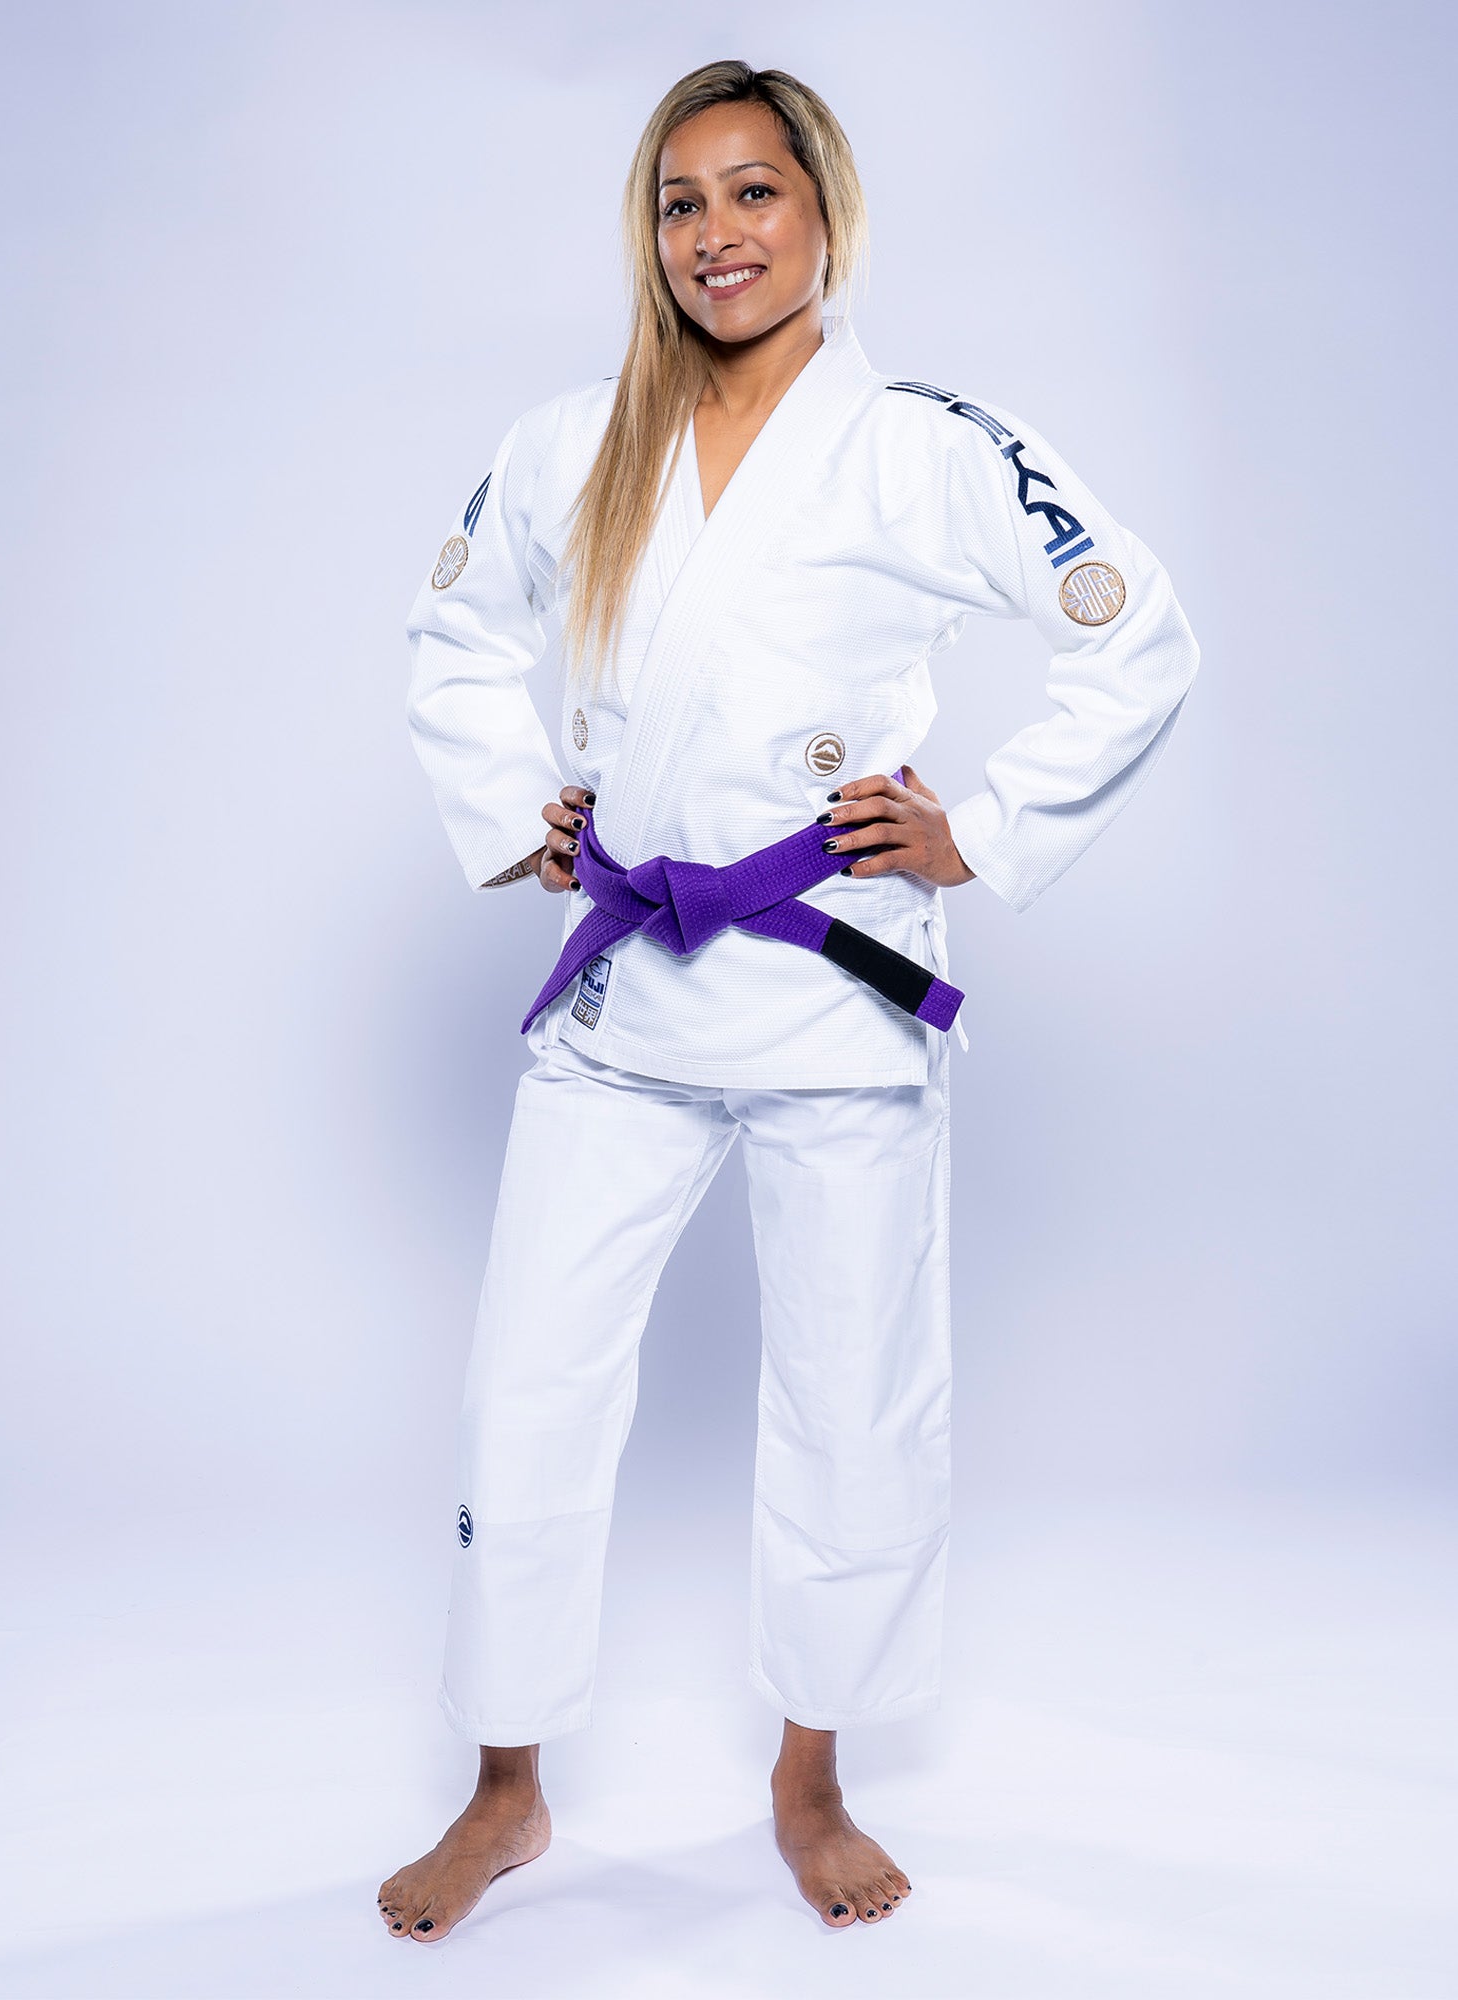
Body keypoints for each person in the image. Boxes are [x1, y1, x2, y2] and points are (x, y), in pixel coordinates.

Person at [379, 58, 1199, 1942]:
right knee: (529, 1389)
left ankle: (808, 1775)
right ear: (647, 236)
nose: (718, 235)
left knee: (849, 1400)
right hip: (620, 1002)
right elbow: (446, 626)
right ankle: (506, 1792)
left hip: (831, 992)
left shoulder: (920, 443)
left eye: (754, 194)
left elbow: (1135, 629)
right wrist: (521, 818)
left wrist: (977, 829)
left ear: (824, 211)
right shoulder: (570, 439)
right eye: (681, 203)